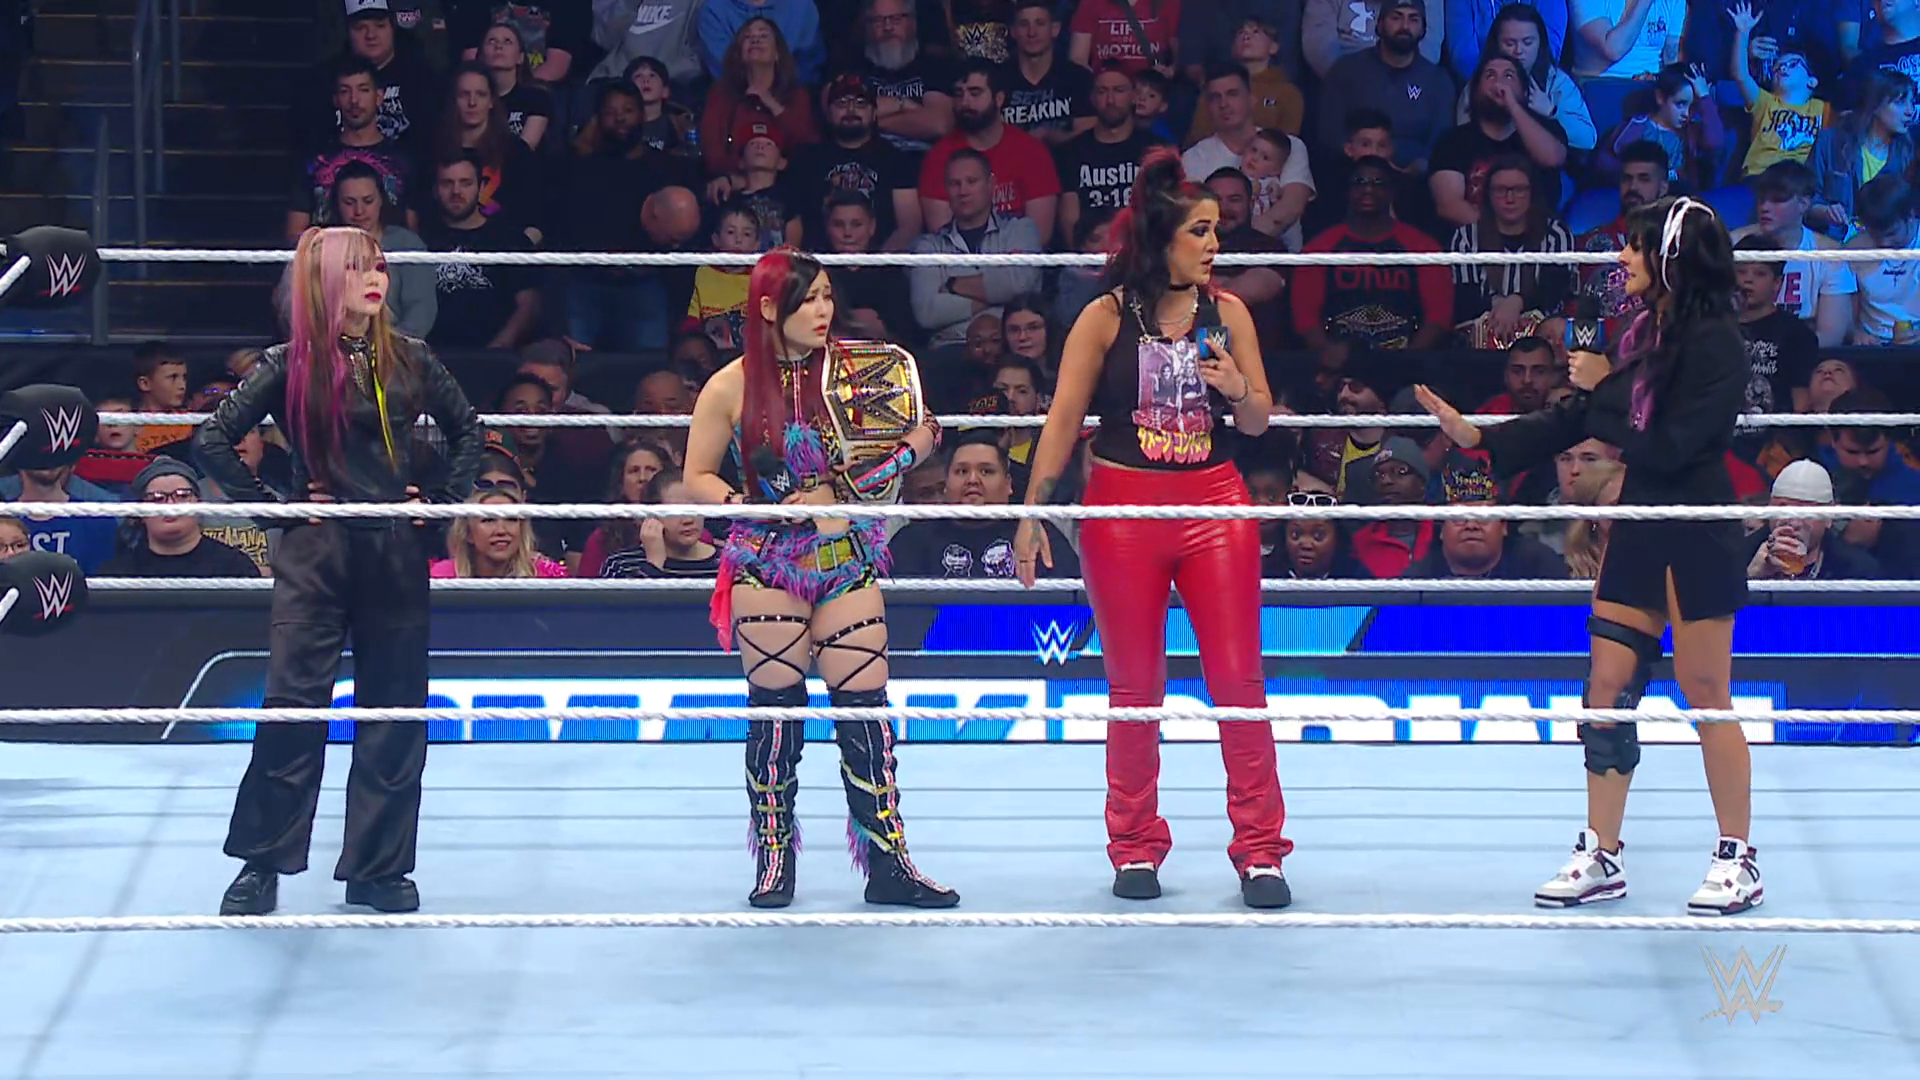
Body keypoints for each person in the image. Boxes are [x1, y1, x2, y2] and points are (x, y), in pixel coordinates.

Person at [1415, 196, 1759, 917]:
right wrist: (1481, 438)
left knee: (1705, 692)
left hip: (1695, 525)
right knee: (1606, 690)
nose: (1623, 257)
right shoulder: (1642, 333)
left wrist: (1606, 386)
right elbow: (1578, 416)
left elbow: (1670, 445)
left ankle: (1737, 856)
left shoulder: (1718, 345)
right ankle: (1602, 851)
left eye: (1636, 246)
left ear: (1669, 257)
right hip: (1638, 527)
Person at [1012, 149, 1292, 910]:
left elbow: (1259, 420)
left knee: (1239, 680)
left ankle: (1260, 851)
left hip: (1214, 503)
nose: (1214, 245)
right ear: (1161, 237)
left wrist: (1238, 388)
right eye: (1200, 231)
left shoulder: (1229, 315)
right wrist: (1032, 514)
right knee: (1135, 687)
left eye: (1216, 231)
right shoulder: (1105, 317)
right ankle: (1134, 844)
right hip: (1123, 508)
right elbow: (1062, 422)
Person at [195, 226, 485, 917]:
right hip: (317, 554)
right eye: (357, 267)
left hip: (393, 551)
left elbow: (469, 430)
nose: (375, 277)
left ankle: (379, 869)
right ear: (327, 281)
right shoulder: (288, 362)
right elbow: (213, 437)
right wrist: (276, 507)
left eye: (378, 265)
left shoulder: (411, 357)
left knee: (394, 712)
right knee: (293, 709)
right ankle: (262, 865)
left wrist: (438, 501)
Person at [683, 247, 958, 911]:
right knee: (776, 716)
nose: (823, 310)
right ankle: (775, 859)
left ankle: (888, 862)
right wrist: (752, 508)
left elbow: (922, 426)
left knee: (866, 714)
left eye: (828, 296)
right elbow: (697, 476)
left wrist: (906, 452)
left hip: (845, 554)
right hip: (768, 559)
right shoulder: (730, 385)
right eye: (808, 299)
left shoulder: (862, 370)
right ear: (769, 307)